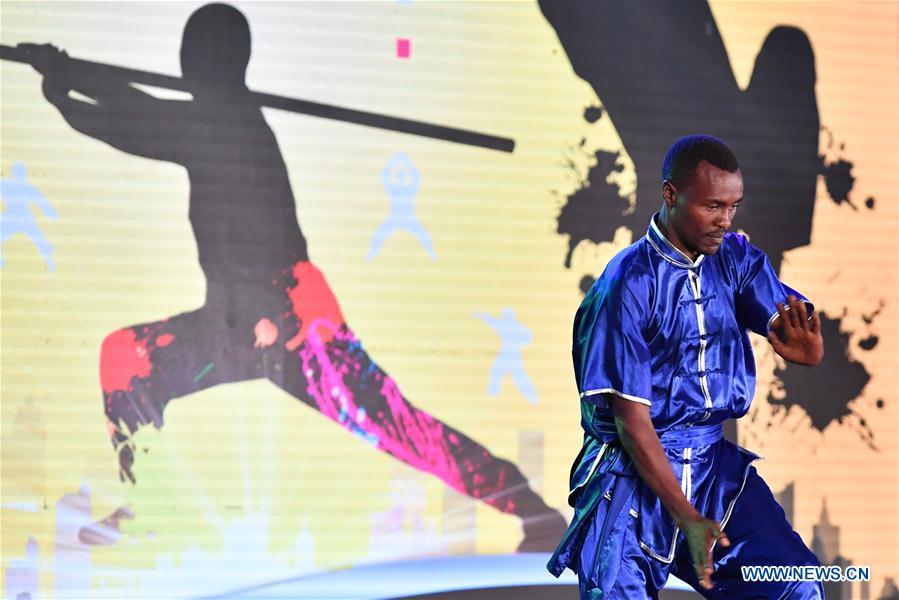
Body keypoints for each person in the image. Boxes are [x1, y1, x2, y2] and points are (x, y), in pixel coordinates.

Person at [23, 2, 565, 551]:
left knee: (400, 430)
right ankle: (154, 503)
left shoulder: (227, 121)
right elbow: (142, 111)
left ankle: (533, 511)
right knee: (127, 356)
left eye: (197, 53)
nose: (188, 64)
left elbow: (135, 121)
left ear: (220, 62)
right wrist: (69, 78)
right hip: (232, 321)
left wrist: (65, 86)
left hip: (297, 320)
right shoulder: (212, 116)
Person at [547, 135, 825, 598]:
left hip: (711, 467)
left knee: (794, 585)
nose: (726, 220)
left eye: (734, 206)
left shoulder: (733, 256)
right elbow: (633, 425)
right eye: (713, 206)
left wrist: (808, 350)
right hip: (631, 475)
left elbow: (781, 316)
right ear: (671, 195)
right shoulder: (627, 285)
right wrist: (689, 519)